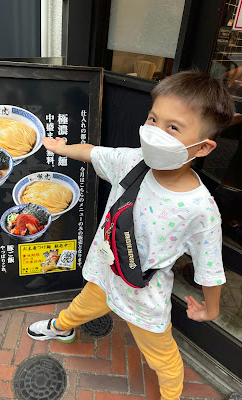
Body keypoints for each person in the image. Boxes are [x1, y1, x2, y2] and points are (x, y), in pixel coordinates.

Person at [27, 71, 234, 400]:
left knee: (163, 360)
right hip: (106, 272)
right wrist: (61, 149)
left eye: (173, 127)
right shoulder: (132, 162)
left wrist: (211, 310)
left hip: (144, 299)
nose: (154, 133)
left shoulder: (200, 209)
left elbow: (211, 268)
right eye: (153, 119)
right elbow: (93, 152)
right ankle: (61, 327)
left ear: (204, 146)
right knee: (83, 306)